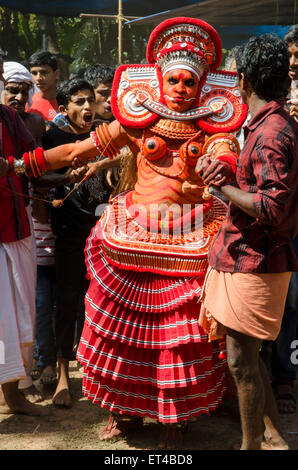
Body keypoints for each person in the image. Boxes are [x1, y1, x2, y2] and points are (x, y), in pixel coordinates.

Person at [5, 18, 247, 447]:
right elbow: (80, 149)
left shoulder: (212, 127)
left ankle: (176, 415)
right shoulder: (137, 122)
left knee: (179, 338)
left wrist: (221, 162)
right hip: (130, 237)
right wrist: (24, 165)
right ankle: (126, 414)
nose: (179, 87)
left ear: (200, 84)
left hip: (189, 239)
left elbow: (224, 153)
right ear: (159, 77)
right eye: (172, 78)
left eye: (188, 80)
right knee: (120, 333)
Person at [199, 34, 298, 450]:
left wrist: (223, 189)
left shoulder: (272, 132)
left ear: (242, 82)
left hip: (254, 258)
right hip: (247, 256)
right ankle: (272, 438)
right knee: (251, 359)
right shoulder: (271, 125)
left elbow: (271, 207)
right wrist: (228, 176)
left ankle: (250, 446)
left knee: (241, 363)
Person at [42, 77, 120, 407]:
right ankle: (63, 375)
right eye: (78, 102)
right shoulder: (54, 138)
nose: (87, 107)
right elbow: (38, 176)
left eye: (90, 100)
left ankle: (98, 375)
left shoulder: (102, 135)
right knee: (67, 303)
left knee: (101, 307)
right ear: (64, 108)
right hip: (70, 237)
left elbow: (122, 167)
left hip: (103, 237)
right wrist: (66, 176)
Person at [0, 55, 47, 416]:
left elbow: (37, 159)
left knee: (14, 316)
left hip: (15, 230)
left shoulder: (11, 120)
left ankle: (11, 394)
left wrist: (88, 159)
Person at [266, 25, 298, 414]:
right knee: (283, 298)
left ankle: (287, 376)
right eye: (289, 56)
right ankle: (279, 376)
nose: (293, 64)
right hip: (277, 215)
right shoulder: (272, 101)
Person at [28, 51, 62, 126]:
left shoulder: (68, 102)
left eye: (44, 72)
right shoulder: (28, 102)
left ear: (56, 74)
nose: (38, 78)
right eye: (34, 73)